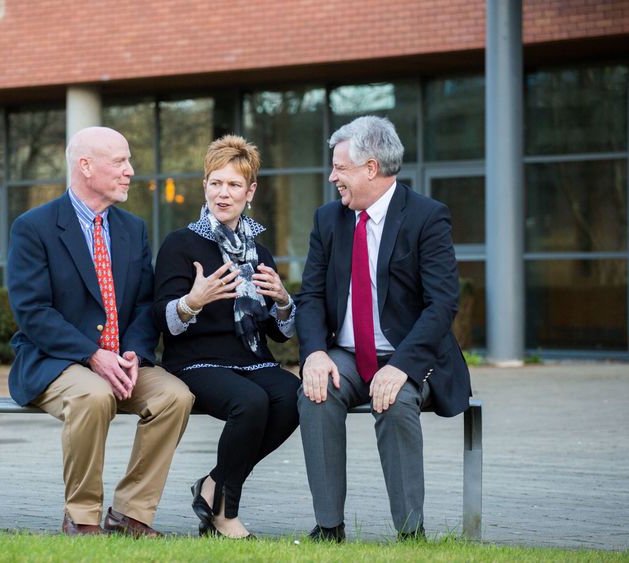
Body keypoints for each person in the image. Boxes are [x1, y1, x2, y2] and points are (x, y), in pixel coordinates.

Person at [6, 126, 194, 537]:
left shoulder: (133, 228)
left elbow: (145, 304)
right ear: (86, 166)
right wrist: (93, 354)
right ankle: (83, 518)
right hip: (56, 360)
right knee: (93, 395)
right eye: (120, 161)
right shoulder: (33, 227)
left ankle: (130, 514)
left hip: (120, 359)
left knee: (175, 396)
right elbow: (32, 312)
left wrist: (134, 355)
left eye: (129, 161)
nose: (130, 171)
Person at [296, 116, 472, 542]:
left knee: (394, 403)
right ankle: (329, 528)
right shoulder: (328, 220)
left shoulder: (427, 217)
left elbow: (442, 303)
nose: (332, 176)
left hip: (412, 355)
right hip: (349, 355)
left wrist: (403, 366)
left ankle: (411, 534)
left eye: (340, 167)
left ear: (370, 168)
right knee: (315, 393)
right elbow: (311, 297)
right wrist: (315, 353)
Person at [153, 135, 300, 539]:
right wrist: (192, 301)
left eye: (234, 185)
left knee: (293, 397)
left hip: (252, 358)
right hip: (196, 361)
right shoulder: (181, 244)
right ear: (204, 186)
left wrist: (284, 301)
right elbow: (163, 321)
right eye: (216, 183)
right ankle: (224, 513)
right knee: (250, 402)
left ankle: (214, 485)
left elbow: (278, 332)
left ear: (250, 192)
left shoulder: (260, 253)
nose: (223, 193)